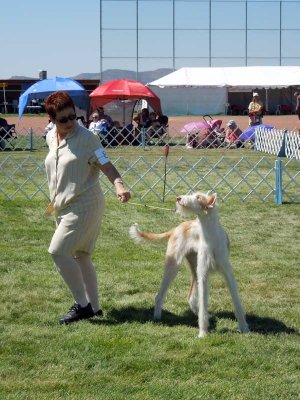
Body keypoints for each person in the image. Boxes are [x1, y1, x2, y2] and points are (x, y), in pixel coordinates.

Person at [44, 91, 131, 324]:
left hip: (85, 204)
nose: (70, 122)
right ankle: (94, 306)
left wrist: (119, 185)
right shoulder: (51, 137)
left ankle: (82, 305)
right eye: (63, 119)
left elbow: (107, 164)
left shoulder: (88, 138)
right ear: (51, 119)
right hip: (62, 206)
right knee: (80, 255)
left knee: (57, 251)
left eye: (73, 116)